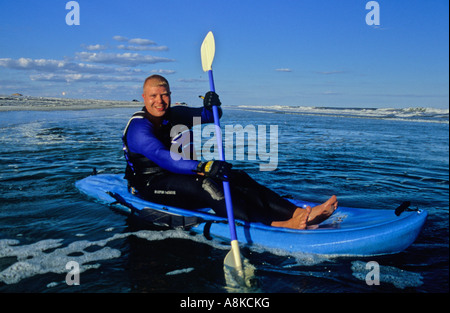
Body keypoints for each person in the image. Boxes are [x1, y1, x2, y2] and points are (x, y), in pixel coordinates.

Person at [122, 74, 338, 230]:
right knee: (206, 184)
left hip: (179, 174)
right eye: (153, 96)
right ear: (143, 97)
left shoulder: (176, 113)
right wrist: (202, 166)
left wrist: (212, 104)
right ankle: (276, 224)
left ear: (170, 95)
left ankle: (298, 212)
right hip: (150, 185)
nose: (159, 101)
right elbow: (163, 158)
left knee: (235, 176)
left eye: (164, 95)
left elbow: (211, 115)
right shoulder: (138, 129)